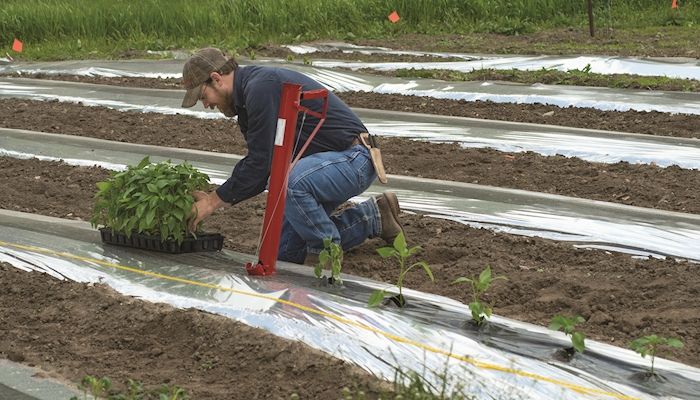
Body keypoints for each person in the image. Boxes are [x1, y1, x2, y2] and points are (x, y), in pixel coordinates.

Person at [181, 47, 402, 264]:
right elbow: (260, 164)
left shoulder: (260, 88)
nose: (207, 105)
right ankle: (374, 217)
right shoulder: (247, 105)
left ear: (217, 79)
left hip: (354, 158)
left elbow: (262, 164)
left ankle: (327, 253)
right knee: (283, 252)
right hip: (320, 168)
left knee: (290, 183)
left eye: (203, 96)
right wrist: (215, 196)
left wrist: (212, 202)